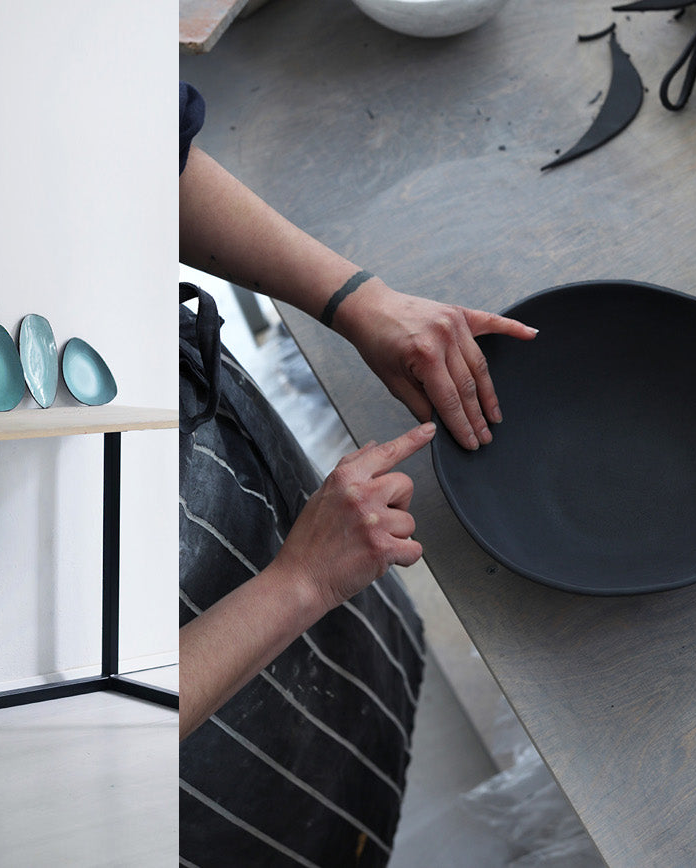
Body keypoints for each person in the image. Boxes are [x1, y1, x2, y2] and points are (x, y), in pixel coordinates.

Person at [178, 81, 536, 865]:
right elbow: (43, 747)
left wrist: (356, 300)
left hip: (182, 457)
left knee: (347, 691)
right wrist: (297, 583)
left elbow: (138, 156)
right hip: (152, 743)